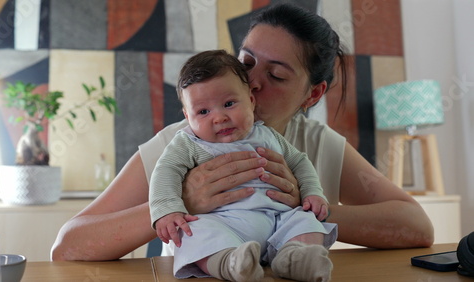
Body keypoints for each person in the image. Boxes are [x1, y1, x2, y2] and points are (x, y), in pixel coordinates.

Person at [51, 3, 434, 263]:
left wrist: (311, 207)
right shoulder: (180, 142)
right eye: (246, 62)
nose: (250, 82)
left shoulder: (318, 144)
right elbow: (67, 247)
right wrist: (180, 202)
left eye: (277, 76)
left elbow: (417, 227)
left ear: (313, 93)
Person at [150, 50, 336, 281]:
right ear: (188, 117)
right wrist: (168, 209)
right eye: (203, 111)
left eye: (228, 103)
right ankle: (231, 264)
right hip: (223, 223)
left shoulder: (267, 135)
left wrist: (312, 192)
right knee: (193, 231)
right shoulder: (188, 142)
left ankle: (295, 259)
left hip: (278, 220)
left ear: (250, 99)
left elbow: (299, 161)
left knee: (306, 220)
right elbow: (165, 170)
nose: (219, 118)